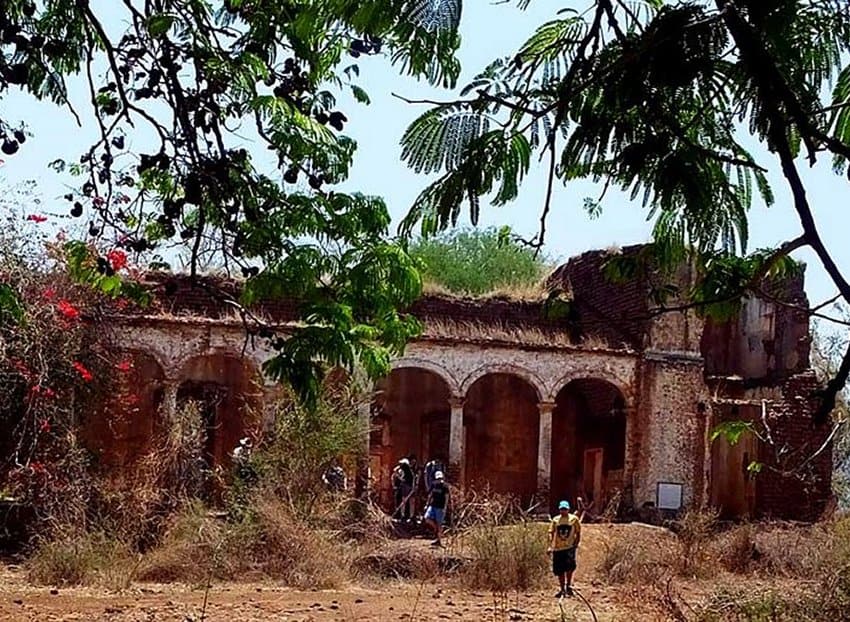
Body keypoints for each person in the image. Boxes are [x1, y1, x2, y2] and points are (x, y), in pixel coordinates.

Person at [548, 500, 581, 598]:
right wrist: (550, 545)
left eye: (565, 509)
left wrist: (576, 543)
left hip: (569, 547)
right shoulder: (555, 520)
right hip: (558, 548)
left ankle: (569, 585)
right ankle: (562, 588)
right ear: (559, 509)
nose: (563, 511)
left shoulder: (574, 519)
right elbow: (551, 532)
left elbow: (578, 532)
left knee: (569, 567)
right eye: (562, 509)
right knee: (559, 570)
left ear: (568, 509)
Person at [424, 470, 449, 547]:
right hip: (433, 505)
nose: (439, 480)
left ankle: (439, 540)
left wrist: (445, 508)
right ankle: (435, 529)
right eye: (438, 478)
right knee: (427, 518)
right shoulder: (433, 485)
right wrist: (427, 504)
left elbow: (446, 497)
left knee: (440, 524)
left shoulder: (445, 486)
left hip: (440, 507)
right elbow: (430, 495)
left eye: (440, 478)